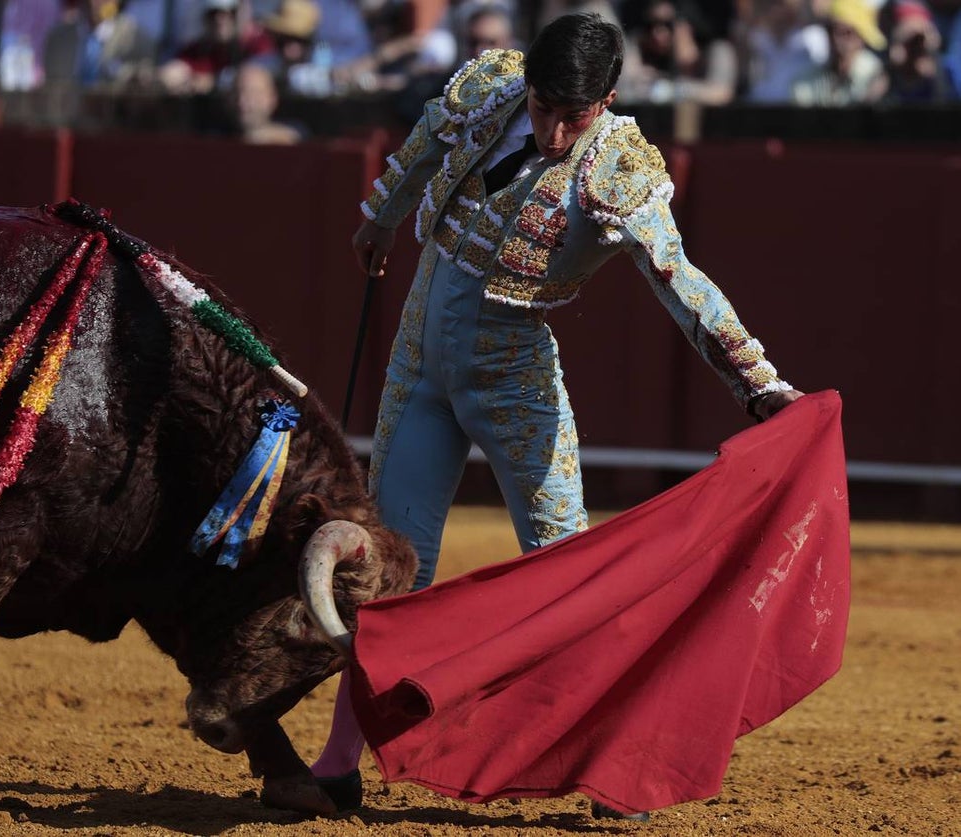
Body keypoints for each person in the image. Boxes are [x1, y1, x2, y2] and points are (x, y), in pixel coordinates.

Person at [297, 11, 803, 822]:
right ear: (526, 85)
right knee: (392, 566)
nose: (555, 129)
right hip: (420, 356)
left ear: (607, 100)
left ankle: (617, 761)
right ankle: (336, 761)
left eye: (575, 114)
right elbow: (426, 138)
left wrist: (758, 381)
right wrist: (380, 217)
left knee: (567, 568)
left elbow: (680, 281)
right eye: (543, 108)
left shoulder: (620, 171)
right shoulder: (492, 85)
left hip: (512, 374)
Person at [791, 0, 887, 103]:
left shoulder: (874, 74)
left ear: (861, 38)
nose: (837, 40)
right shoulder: (806, 82)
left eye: (847, 32)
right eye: (832, 30)